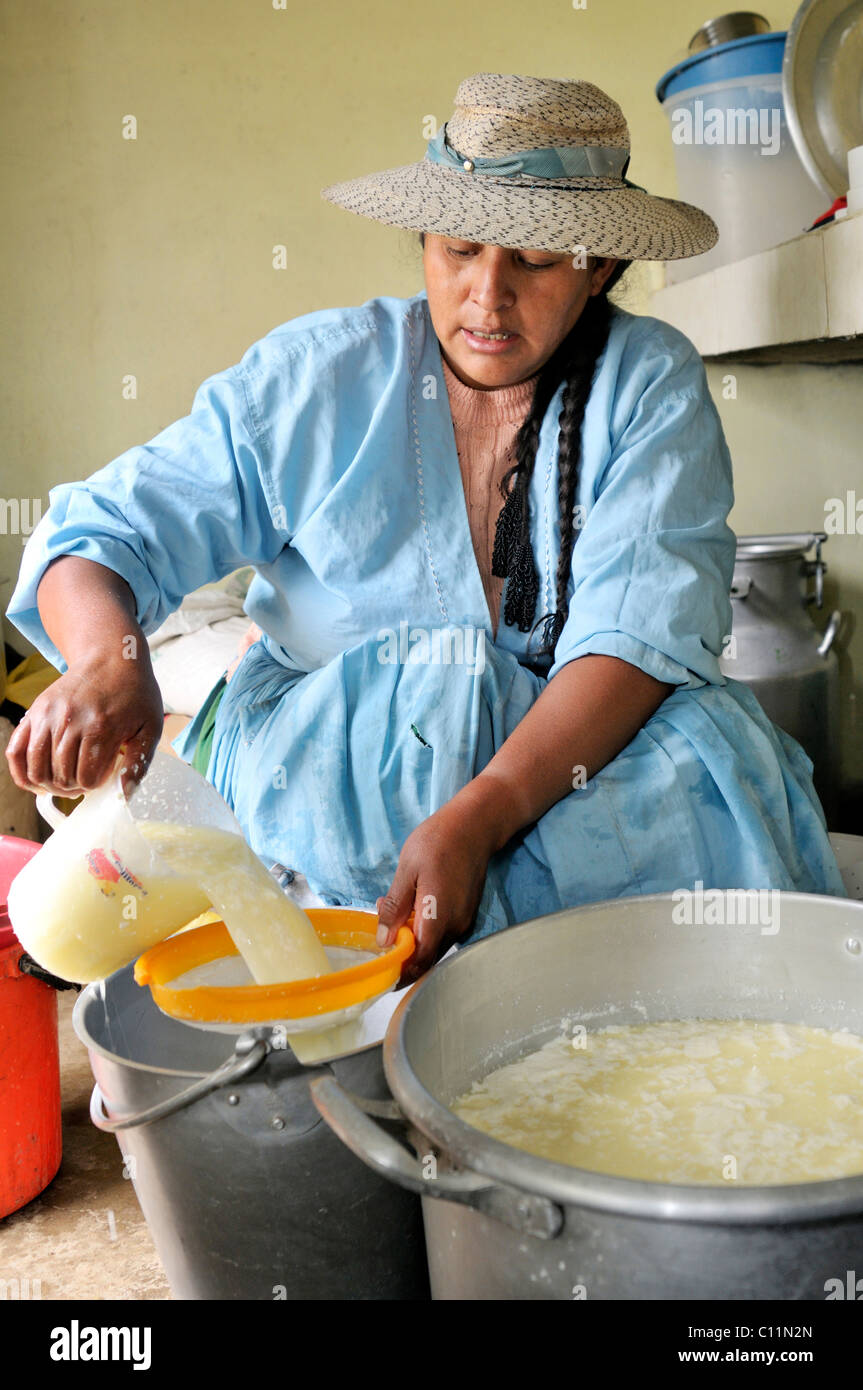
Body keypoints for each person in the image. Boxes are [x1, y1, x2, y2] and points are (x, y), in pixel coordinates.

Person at [5, 73, 845, 979]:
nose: (487, 295)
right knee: (405, 744)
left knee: (709, 772)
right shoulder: (319, 376)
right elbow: (100, 534)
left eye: (533, 259)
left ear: (597, 268)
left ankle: (629, 1045)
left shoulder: (647, 383)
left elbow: (637, 640)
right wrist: (106, 664)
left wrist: (481, 814)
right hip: (340, 738)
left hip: (565, 737)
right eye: (459, 249)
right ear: (423, 243)